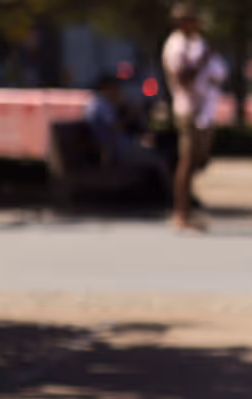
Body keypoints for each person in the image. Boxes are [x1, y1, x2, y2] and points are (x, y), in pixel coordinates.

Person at [161, 2, 225, 232]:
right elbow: (183, 80)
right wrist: (203, 61)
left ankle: (186, 206)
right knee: (186, 161)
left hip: (204, 109)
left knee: (198, 159)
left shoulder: (197, 43)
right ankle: (181, 212)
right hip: (188, 109)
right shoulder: (175, 46)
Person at [84, 75, 171, 198]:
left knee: (155, 152)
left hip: (116, 147)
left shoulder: (99, 103)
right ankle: (169, 197)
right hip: (113, 150)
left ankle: (162, 195)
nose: (117, 91)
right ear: (105, 88)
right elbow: (115, 128)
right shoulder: (100, 104)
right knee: (161, 158)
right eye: (114, 88)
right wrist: (130, 114)